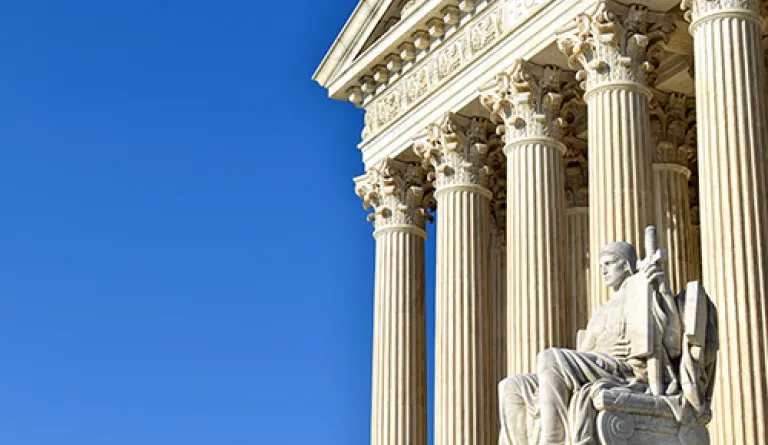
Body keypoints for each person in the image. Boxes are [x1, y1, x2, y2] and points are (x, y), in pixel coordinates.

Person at [498, 241, 682, 445]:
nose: (603, 270)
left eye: (610, 264)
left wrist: (663, 289)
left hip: (624, 370)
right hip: (597, 366)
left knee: (550, 358)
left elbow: (673, 344)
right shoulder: (601, 311)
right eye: (601, 265)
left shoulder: (643, 297)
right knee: (513, 385)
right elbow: (584, 352)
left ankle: (553, 439)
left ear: (627, 266)